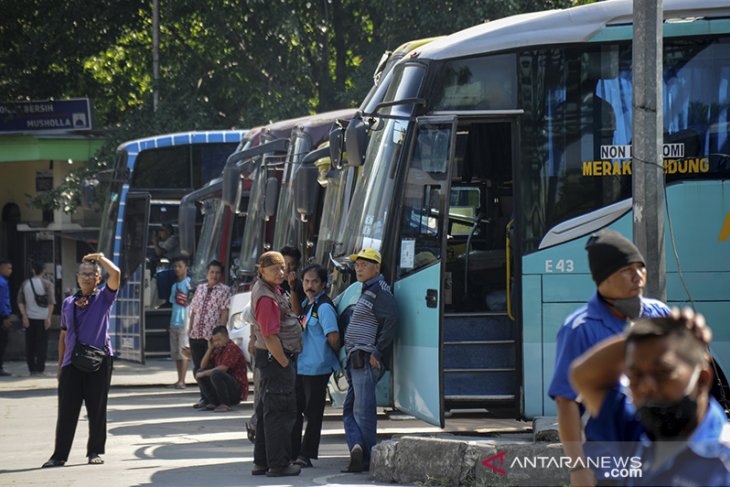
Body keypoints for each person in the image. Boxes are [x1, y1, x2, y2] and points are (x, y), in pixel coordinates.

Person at [548, 229, 670, 486]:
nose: (638, 276)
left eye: (641, 268)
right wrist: (578, 467)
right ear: (603, 279)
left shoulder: (659, 314)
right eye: (626, 270)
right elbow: (566, 402)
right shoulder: (580, 328)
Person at [571, 310, 730, 487]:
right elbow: (583, 377)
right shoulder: (636, 428)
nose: (646, 386)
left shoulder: (723, 459)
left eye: (662, 372)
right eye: (636, 375)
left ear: (702, 380)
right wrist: (642, 339)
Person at [42, 252, 120, 468]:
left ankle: (94, 451)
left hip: (99, 361)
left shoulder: (104, 298)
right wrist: (60, 366)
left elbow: (116, 273)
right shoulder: (69, 303)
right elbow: (64, 336)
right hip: (71, 364)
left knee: (97, 409)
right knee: (67, 411)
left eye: (91, 275)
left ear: (98, 279)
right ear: (77, 278)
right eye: (83, 274)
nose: (87, 278)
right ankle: (59, 455)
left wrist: (101, 258)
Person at [342, 248, 398, 473]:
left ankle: (366, 459)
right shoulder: (368, 290)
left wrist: (377, 352)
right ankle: (358, 448)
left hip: (366, 359)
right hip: (357, 359)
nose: (359, 268)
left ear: (377, 268)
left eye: (364, 265)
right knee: (350, 409)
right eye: (357, 265)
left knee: (362, 412)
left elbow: (392, 319)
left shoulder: (379, 291)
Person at [250, 251, 303, 478]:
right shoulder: (266, 298)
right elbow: (270, 336)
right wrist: (284, 363)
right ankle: (279, 464)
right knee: (280, 414)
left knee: (267, 412)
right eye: (274, 269)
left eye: (283, 268)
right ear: (261, 270)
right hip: (275, 360)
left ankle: (262, 462)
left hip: (270, 359)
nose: (280, 272)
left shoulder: (271, 290)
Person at [291, 264, 341, 468]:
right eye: (306, 281)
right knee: (295, 412)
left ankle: (306, 454)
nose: (309, 285)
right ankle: (293, 452)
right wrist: (293, 288)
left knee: (313, 415)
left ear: (323, 284)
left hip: (317, 369)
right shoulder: (307, 303)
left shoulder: (324, 307)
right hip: (301, 367)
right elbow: (296, 313)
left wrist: (328, 357)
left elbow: (334, 337)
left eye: (314, 282)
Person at [187, 260, 231, 409]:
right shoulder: (200, 288)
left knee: (208, 367)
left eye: (217, 272)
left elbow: (225, 311)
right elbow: (193, 310)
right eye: (212, 272)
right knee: (197, 368)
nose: (214, 275)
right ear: (207, 273)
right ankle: (204, 397)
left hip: (210, 337)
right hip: (196, 335)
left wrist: (221, 332)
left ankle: (214, 399)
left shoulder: (225, 290)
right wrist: (190, 329)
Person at [195, 325, 248, 412]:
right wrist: (210, 349)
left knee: (216, 373)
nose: (216, 343)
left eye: (219, 340)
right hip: (223, 387)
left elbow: (223, 368)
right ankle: (213, 402)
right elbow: (203, 366)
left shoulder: (232, 348)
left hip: (235, 390)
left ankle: (225, 404)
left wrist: (204, 373)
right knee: (199, 371)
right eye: (214, 341)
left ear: (226, 337)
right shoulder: (218, 349)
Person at [18, 260, 56, 376]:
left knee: (30, 344)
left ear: (33, 271)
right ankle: (40, 368)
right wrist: (49, 317)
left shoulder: (25, 284)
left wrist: (24, 316)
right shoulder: (47, 284)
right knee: (42, 344)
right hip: (43, 317)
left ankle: (31, 368)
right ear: (43, 271)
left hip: (29, 317)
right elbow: (51, 302)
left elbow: (20, 301)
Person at [168, 256, 191, 389]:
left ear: (186, 268)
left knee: (183, 351)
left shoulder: (189, 284)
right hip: (174, 321)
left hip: (185, 322)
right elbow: (173, 304)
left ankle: (182, 380)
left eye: (180, 266)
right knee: (176, 353)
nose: (177, 269)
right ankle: (178, 379)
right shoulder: (174, 286)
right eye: (175, 266)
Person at [280, 246, 304, 315]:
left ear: (298, 265)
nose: (287, 269)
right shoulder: (273, 283)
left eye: (291, 264)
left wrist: (292, 288)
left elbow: (296, 313)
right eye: (284, 264)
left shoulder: (301, 286)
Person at [0, 258, 13, 376]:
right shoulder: (2, 283)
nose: (11, 271)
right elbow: (3, 300)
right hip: (2, 315)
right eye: (8, 268)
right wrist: (6, 316)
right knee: (2, 341)